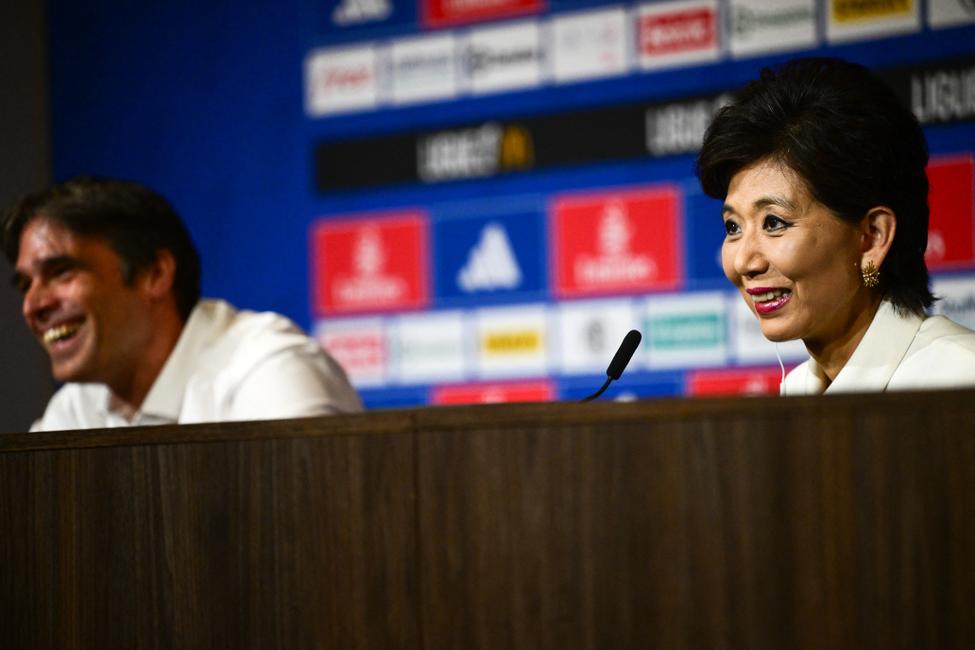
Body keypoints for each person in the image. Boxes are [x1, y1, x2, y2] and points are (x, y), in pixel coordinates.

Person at [697, 57, 975, 394]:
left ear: (872, 238)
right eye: (733, 227)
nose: (744, 262)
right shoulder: (795, 391)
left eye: (773, 223)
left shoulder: (960, 376)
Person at [2, 177, 362, 430]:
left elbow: (313, 530)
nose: (33, 305)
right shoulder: (77, 407)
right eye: (25, 284)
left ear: (155, 274)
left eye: (62, 272)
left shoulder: (269, 369)